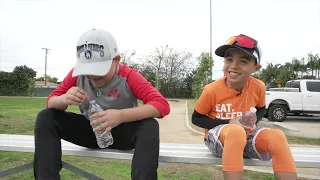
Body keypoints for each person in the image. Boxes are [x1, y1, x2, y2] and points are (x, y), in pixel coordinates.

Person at [33, 28, 170, 180]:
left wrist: (120, 116)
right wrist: (64, 99)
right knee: (46, 117)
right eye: (88, 71)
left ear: (116, 60)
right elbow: (51, 102)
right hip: (91, 131)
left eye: (99, 72)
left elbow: (161, 105)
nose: (92, 77)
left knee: (150, 126)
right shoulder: (77, 75)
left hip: (123, 133)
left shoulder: (129, 75)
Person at [191, 34, 297, 180]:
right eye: (229, 59)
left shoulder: (258, 86)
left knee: (277, 136)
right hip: (218, 140)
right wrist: (229, 123)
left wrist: (254, 121)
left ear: (256, 68)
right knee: (235, 131)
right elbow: (196, 118)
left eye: (243, 61)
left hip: (246, 138)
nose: (234, 65)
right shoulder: (212, 89)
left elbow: (261, 109)